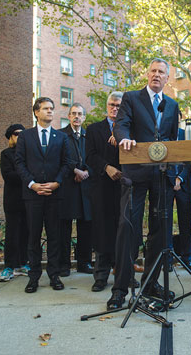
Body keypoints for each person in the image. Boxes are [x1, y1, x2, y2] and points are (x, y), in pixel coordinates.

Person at [107, 58, 181, 310]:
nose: (156, 75)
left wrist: (176, 170)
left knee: (160, 232)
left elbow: (172, 138)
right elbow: (122, 124)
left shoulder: (172, 105)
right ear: (147, 74)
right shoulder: (131, 98)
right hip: (135, 172)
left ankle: (150, 282)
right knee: (128, 229)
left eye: (162, 72)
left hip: (161, 175)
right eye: (153, 71)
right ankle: (120, 289)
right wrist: (124, 138)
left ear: (167, 78)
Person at [15, 97, 71, 293]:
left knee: (55, 237)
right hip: (33, 195)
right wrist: (33, 184)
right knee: (33, 238)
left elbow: (67, 163)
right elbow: (19, 163)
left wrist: (56, 183)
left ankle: (54, 275)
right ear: (36, 112)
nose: (50, 111)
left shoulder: (61, 137)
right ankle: (34, 277)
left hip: (55, 195)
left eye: (52, 108)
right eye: (46, 108)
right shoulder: (25, 136)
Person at [86, 91, 123, 292]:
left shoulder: (130, 129)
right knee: (102, 230)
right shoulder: (93, 129)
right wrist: (106, 167)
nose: (114, 108)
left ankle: (122, 274)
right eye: (112, 104)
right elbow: (89, 156)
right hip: (101, 186)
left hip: (124, 185)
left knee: (123, 230)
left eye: (118, 105)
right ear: (106, 106)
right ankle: (100, 276)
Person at [59, 103, 94, 276]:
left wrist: (88, 171)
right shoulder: (61, 135)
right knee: (64, 227)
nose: (76, 117)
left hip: (86, 188)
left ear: (84, 117)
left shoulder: (89, 136)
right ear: (68, 115)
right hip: (68, 186)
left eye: (80, 114)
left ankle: (84, 263)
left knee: (86, 227)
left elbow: (95, 157)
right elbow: (59, 158)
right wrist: (74, 169)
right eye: (73, 113)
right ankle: (64, 265)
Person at [0, 124, 29, 282]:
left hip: (29, 198)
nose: (20, 136)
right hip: (12, 199)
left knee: (27, 232)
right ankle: (8, 266)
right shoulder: (6, 154)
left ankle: (23, 263)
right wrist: (26, 175)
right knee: (12, 233)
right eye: (17, 134)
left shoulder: (29, 154)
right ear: (11, 136)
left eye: (23, 134)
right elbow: (8, 175)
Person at [168, 122, 191, 271]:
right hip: (167, 183)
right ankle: (167, 260)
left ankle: (187, 258)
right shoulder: (162, 134)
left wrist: (180, 178)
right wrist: (172, 179)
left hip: (184, 184)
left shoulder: (186, 134)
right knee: (166, 223)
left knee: (185, 221)